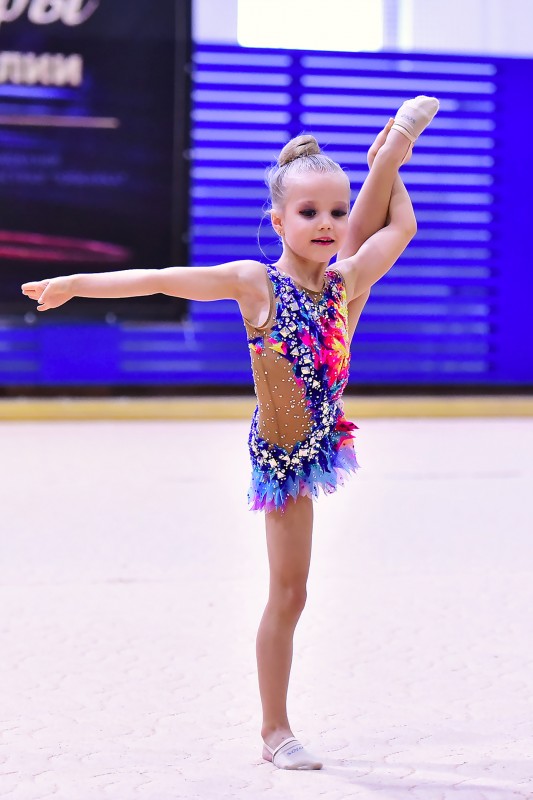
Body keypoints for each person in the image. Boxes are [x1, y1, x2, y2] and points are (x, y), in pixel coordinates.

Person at [21, 95, 439, 771]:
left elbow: (403, 227)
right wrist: (76, 281)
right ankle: (275, 730)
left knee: (346, 270)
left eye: (337, 211)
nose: (326, 224)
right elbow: (162, 280)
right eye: (308, 212)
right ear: (277, 220)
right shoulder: (255, 284)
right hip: (283, 456)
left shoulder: (346, 278)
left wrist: (394, 170)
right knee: (289, 594)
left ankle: (385, 154)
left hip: (322, 430)